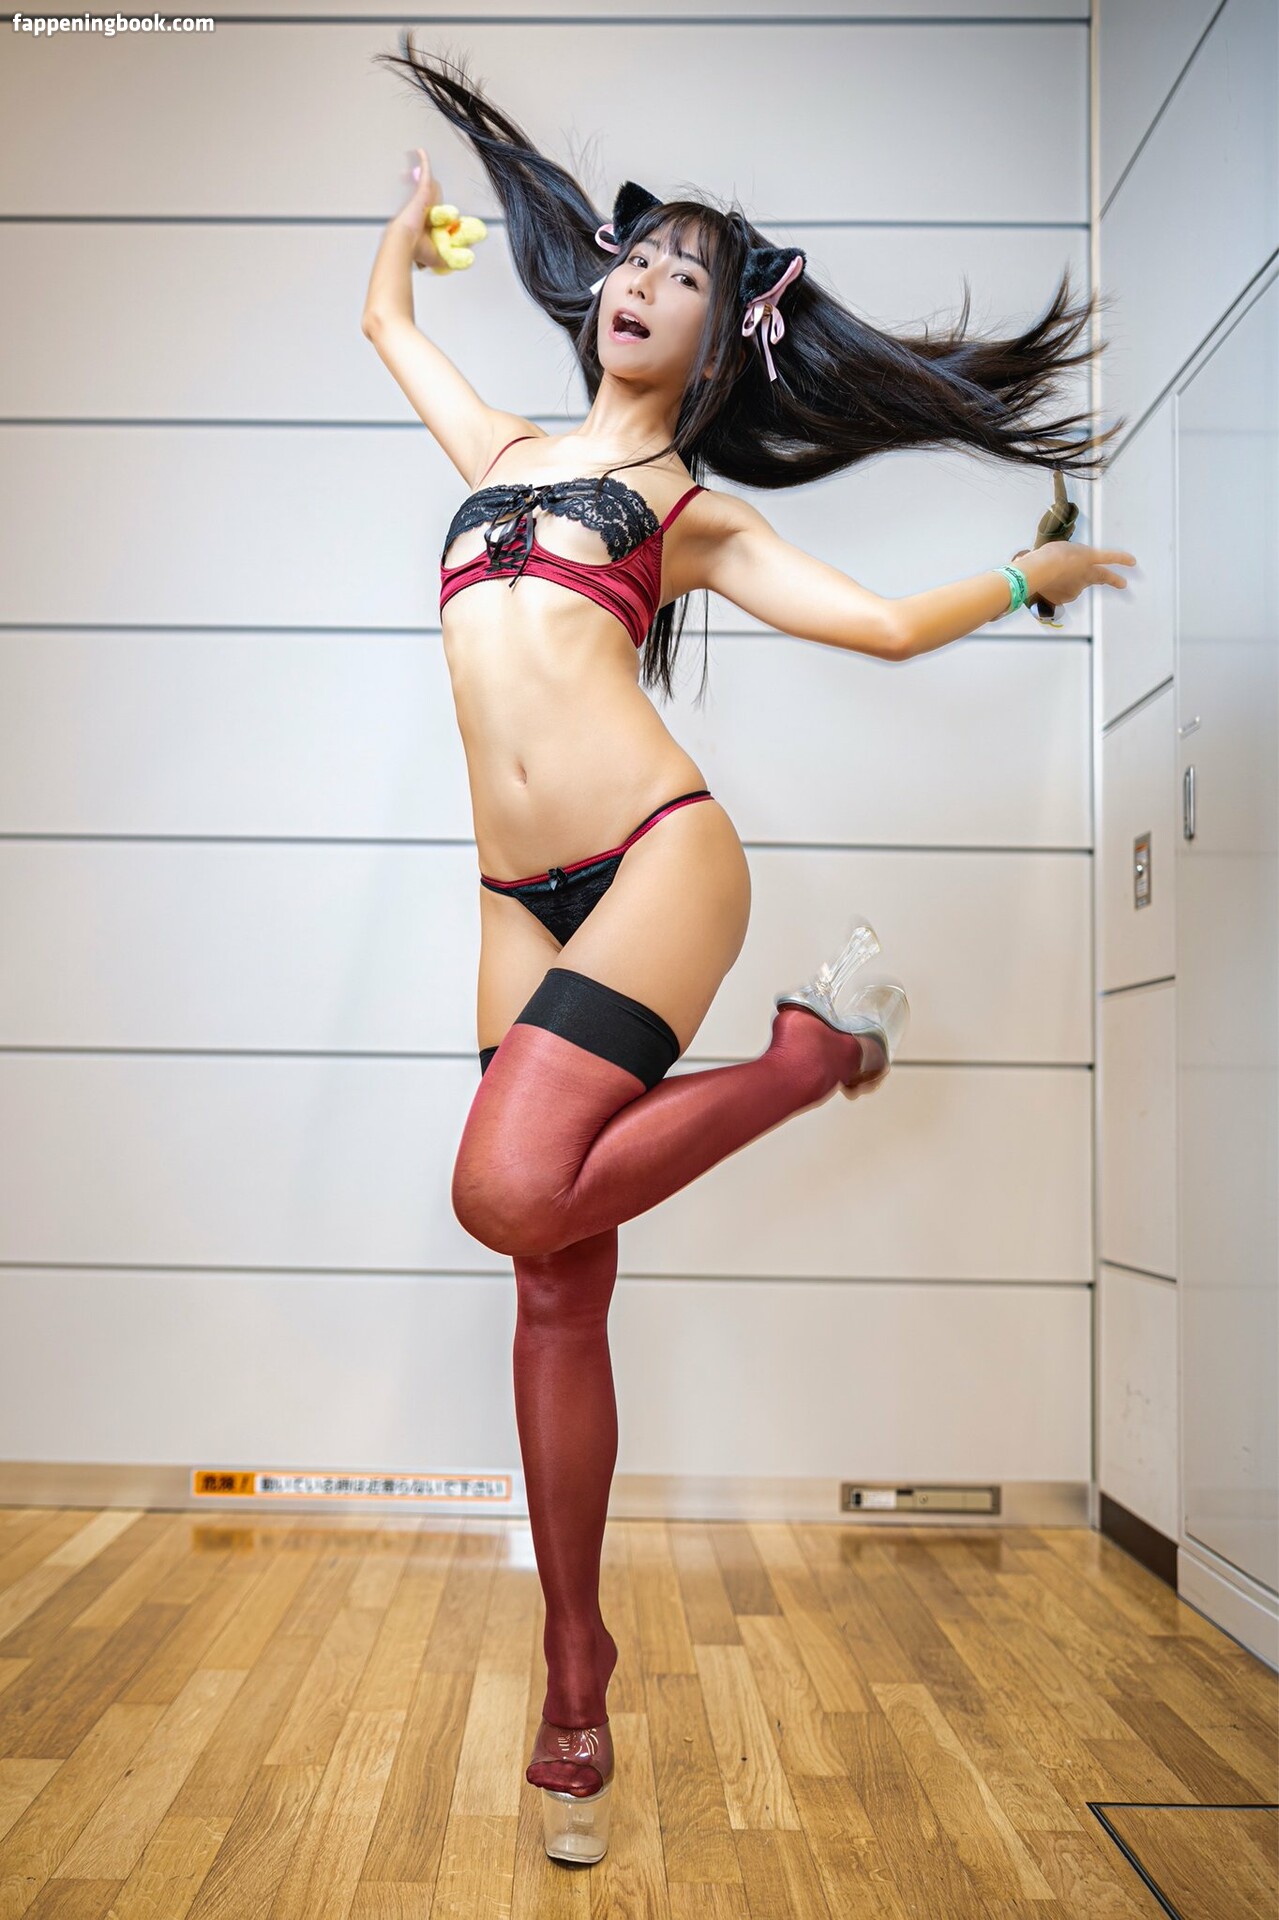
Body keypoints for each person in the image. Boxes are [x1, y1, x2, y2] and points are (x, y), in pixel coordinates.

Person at [362, 36, 1137, 1865]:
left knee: (503, 1187)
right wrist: (410, 230)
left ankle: (804, 1059)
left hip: (658, 860)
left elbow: (875, 628)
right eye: (633, 258)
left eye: (687, 276)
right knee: (553, 1276)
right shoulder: (503, 449)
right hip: (513, 902)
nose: (641, 281)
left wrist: (1027, 580)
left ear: (722, 344)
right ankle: (575, 1671)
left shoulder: (691, 515)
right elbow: (388, 328)